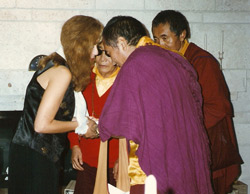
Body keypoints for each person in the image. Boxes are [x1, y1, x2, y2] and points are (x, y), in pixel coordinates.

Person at [97, 15, 213, 194]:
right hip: (187, 152)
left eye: (110, 53)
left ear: (121, 43)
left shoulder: (134, 65)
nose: (113, 61)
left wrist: (95, 127)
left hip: (161, 161)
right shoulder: (173, 57)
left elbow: (114, 121)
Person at [8, 15, 103, 194]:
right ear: (81, 44)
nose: (97, 52)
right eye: (94, 45)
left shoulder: (56, 65)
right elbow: (42, 124)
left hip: (32, 152)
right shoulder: (62, 73)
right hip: (36, 156)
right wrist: (80, 125)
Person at [152, 10, 243, 194]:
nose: (160, 45)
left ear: (182, 35)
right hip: (183, 149)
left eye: (165, 38)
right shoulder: (169, 61)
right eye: (156, 39)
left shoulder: (202, 62)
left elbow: (218, 108)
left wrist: (183, 128)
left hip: (206, 147)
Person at [67, 42, 120, 194]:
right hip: (87, 157)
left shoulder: (125, 80)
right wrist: (75, 145)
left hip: (114, 158)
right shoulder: (84, 77)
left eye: (108, 54)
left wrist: (124, 158)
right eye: (100, 53)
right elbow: (72, 113)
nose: (103, 59)